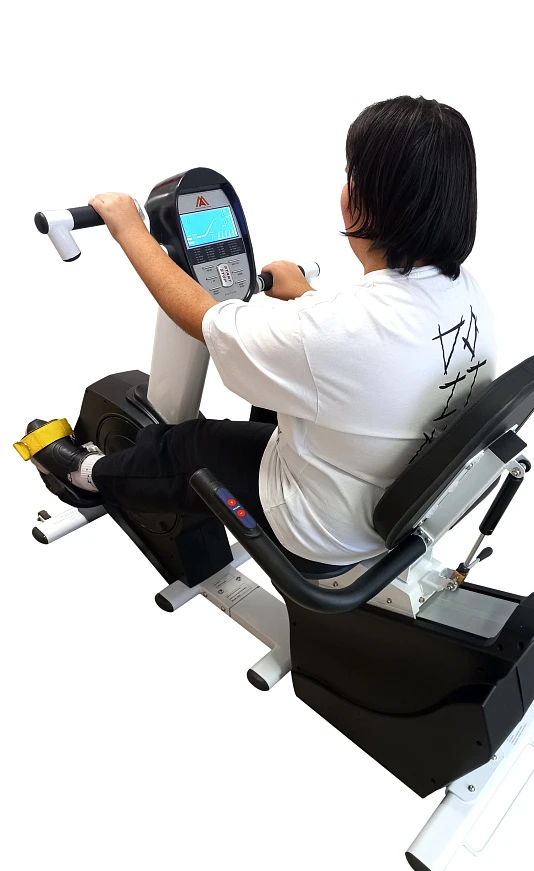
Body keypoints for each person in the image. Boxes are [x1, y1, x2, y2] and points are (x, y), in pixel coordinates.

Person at [21, 95, 497, 567]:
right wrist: (306, 295)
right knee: (277, 396)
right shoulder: (465, 291)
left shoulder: (334, 331)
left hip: (324, 531)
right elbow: (369, 350)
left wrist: (128, 229)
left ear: (366, 202)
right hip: (398, 499)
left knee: (187, 445)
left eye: (352, 175)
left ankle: (86, 476)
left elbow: (204, 320)